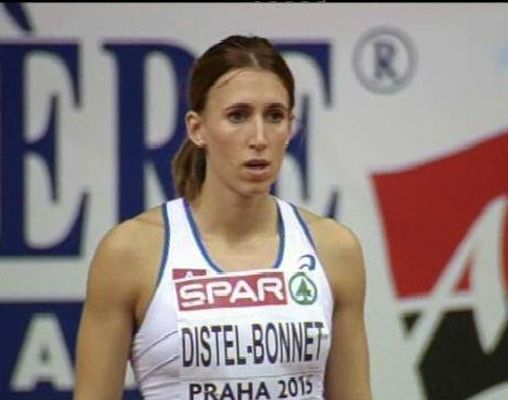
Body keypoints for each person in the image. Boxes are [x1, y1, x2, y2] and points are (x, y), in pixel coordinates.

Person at [74, 34, 372, 400]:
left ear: (290, 128)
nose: (259, 137)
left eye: (275, 116)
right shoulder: (129, 252)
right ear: (197, 128)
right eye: (238, 116)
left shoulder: (334, 250)